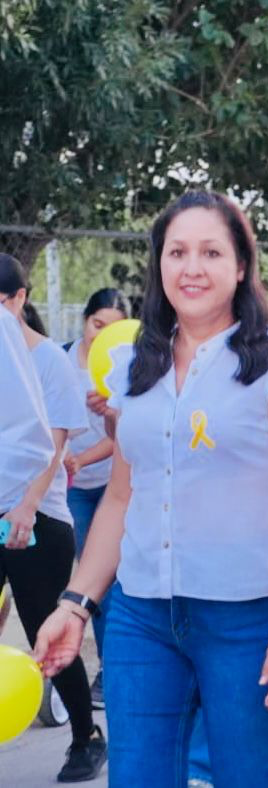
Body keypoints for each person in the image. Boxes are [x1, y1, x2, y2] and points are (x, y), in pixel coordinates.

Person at [34, 190, 268, 787]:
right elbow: (123, 493)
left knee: (252, 778)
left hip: (248, 621)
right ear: (159, 264)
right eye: (177, 252)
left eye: (210, 252)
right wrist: (75, 602)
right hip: (143, 618)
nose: (191, 268)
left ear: (241, 266)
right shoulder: (133, 367)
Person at [1, 255, 105, 782]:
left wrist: (26, 504)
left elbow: (56, 441)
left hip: (38, 517)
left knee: (48, 629)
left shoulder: (49, 362)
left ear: (20, 299)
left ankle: (86, 736)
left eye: (1, 302)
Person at [61, 286, 131, 709]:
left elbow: (126, 433)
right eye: (96, 324)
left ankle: (110, 668)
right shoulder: (63, 358)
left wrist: (82, 458)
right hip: (72, 487)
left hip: (112, 480)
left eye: (112, 327)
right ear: (85, 320)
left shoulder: (129, 364)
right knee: (87, 579)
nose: (101, 333)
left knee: (110, 582)